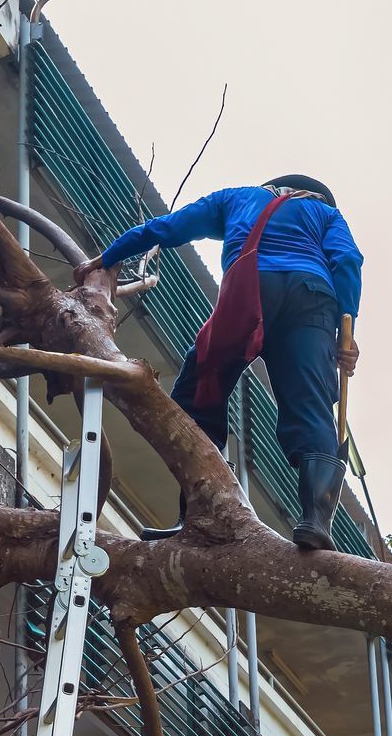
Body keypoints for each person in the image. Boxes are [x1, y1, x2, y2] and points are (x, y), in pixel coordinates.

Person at [73, 174, 362, 549]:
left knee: (199, 392)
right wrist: (346, 334)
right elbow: (347, 261)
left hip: (249, 289)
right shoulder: (325, 213)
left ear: (273, 186)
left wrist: (109, 256)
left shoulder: (235, 198)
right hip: (311, 299)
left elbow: (168, 227)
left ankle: (198, 516)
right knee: (311, 405)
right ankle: (316, 523)